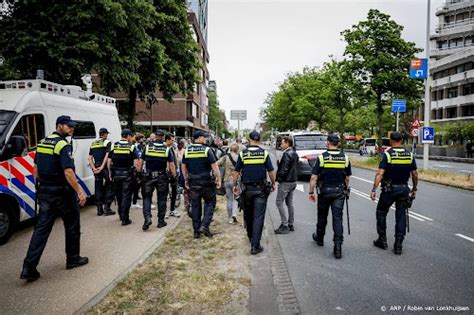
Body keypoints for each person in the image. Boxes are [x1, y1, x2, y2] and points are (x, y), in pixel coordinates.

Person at [21, 116, 88, 282]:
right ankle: (73, 259)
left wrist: (39, 185)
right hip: (62, 194)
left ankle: (29, 267)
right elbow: (68, 172)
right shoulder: (62, 145)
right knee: (72, 225)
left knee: (41, 230)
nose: (72, 129)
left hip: (45, 192)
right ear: (59, 125)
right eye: (69, 126)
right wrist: (80, 191)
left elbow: (35, 167)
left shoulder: (43, 142)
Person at [370, 131, 418, 255]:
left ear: (391, 141)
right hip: (403, 189)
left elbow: (380, 173)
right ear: (402, 140)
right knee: (401, 216)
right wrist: (414, 189)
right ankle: (398, 245)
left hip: (389, 190)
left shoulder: (388, 155)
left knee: (381, 212)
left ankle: (382, 240)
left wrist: (374, 189)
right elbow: (415, 174)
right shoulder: (409, 155)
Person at [308, 134, 351, 259]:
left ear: (327, 143)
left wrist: (311, 192)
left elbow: (313, 177)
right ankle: (338, 246)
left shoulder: (322, 157)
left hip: (325, 192)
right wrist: (346, 189)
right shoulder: (345, 158)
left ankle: (319, 238)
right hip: (339, 192)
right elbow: (347, 178)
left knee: (322, 216)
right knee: (337, 218)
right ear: (338, 143)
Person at [233, 131, 275, 255]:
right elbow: (271, 171)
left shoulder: (243, 154)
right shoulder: (264, 153)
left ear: (249, 139)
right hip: (261, 190)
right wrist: (273, 183)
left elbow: (236, 172)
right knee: (258, 217)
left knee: (249, 214)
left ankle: (251, 237)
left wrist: (235, 185)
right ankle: (255, 246)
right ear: (259, 139)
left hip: (247, 190)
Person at [181, 130, 221, 239]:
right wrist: (218, 179)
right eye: (204, 137)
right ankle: (204, 225)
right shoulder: (207, 150)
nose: (206, 139)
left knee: (195, 206)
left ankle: (196, 232)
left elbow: (183, 167)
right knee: (210, 203)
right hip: (206, 182)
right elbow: (215, 167)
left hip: (193, 182)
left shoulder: (187, 151)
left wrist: (186, 179)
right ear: (199, 138)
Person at [140, 129, 176, 230]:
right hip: (161, 177)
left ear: (155, 136)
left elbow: (140, 162)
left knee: (147, 198)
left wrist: (139, 173)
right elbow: (172, 165)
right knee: (162, 199)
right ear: (163, 137)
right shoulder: (167, 149)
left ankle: (147, 218)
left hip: (148, 176)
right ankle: (161, 221)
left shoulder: (147, 147)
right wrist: (173, 176)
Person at [107, 129, 141, 226]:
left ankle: (121, 215)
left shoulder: (114, 145)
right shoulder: (131, 147)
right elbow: (136, 162)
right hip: (127, 175)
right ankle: (125, 219)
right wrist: (137, 173)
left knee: (118, 195)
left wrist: (110, 172)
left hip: (116, 174)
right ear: (129, 136)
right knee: (126, 195)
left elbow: (109, 160)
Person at [88, 127, 115, 216]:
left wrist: (94, 168)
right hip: (104, 167)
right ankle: (107, 208)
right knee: (110, 185)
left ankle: (99, 210)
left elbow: (90, 157)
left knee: (98, 187)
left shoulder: (93, 143)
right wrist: (102, 167)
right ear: (105, 134)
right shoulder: (107, 142)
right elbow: (107, 156)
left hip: (96, 166)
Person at [274, 136, 299, 234]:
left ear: (288, 143)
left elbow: (284, 169)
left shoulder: (286, 154)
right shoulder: (295, 153)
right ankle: (290, 224)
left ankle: (284, 225)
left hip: (285, 182)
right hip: (293, 181)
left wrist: (279, 179)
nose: (281, 144)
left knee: (279, 202)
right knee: (290, 203)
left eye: (283, 143)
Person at [218, 142, 240, 224]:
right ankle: (234, 214)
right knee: (237, 198)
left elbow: (216, 164)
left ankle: (230, 218)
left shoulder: (225, 157)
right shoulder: (239, 157)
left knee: (229, 200)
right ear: (237, 150)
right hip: (236, 181)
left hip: (227, 180)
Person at [165, 133, 181, 218]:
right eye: (172, 140)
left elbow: (175, 159)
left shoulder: (172, 148)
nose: (173, 141)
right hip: (168, 174)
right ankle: (166, 211)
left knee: (174, 192)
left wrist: (177, 169)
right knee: (165, 193)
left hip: (174, 173)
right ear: (167, 139)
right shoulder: (164, 149)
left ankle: (172, 209)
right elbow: (168, 163)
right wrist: (173, 172)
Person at [131, 132, 145, 209]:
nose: (143, 140)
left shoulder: (139, 146)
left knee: (136, 186)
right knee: (136, 186)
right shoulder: (136, 146)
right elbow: (138, 158)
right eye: (142, 138)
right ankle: (134, 202)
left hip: (137, 168)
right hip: (136, 169)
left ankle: (134, 201)